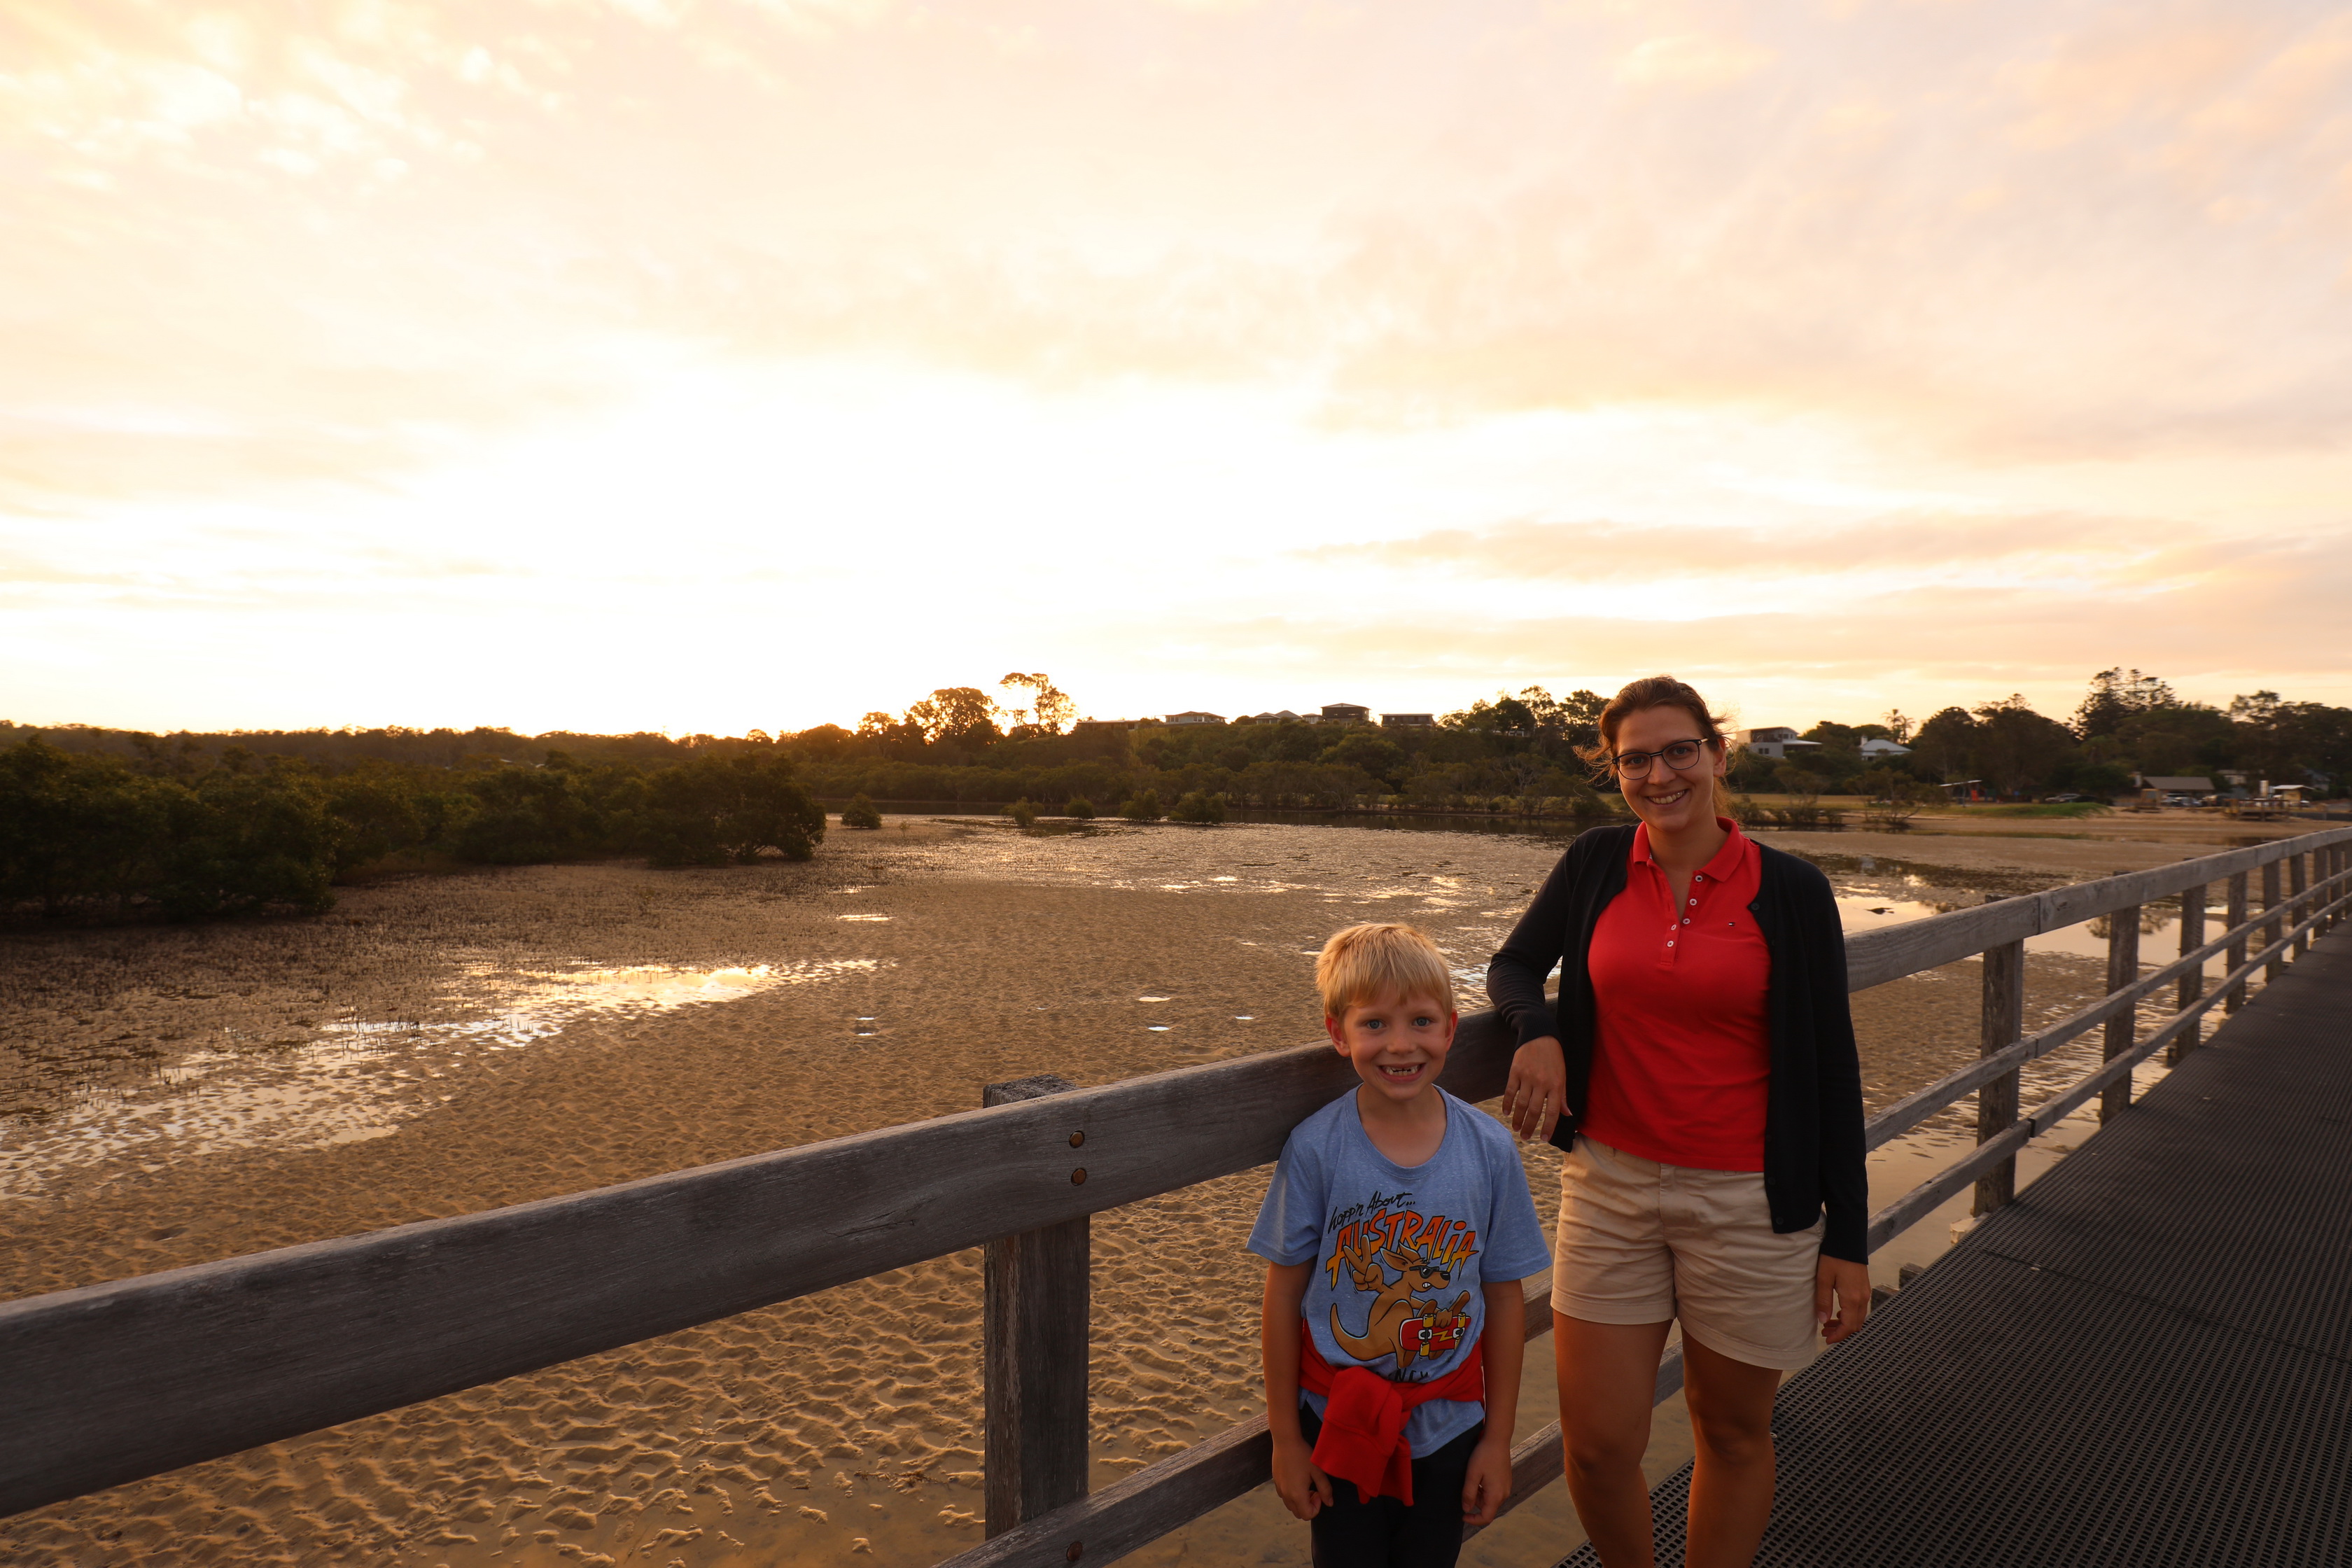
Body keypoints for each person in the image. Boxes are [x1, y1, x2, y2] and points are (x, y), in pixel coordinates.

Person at [1486, 676, 1870, 1568]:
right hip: (1610, 1189)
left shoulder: (1793, 889)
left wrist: (1845, 1234)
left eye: (1677, 751)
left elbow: (1832, 1066)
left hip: (1747, 1202)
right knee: (1596, 1443)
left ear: (1716, 755)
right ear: (1615, 770)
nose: (1658, 774)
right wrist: (1538, 1031)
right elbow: (1512, 965)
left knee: (1731, 1434)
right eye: (1635, 759)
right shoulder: (1593, 864)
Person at [1252, 923, 1553, 1568]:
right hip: (1339, 1420)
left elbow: (1503, 1301)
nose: (1400, 1045)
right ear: (1339, 1033)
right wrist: (1284, 1439)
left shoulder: (1490, 1149)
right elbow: (1282, 1298)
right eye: (1374, 1025)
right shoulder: (1316, 1149)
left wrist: (1497, 1440)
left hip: (1449, 1423)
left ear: (1449, 1027)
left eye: (1420, 1021)